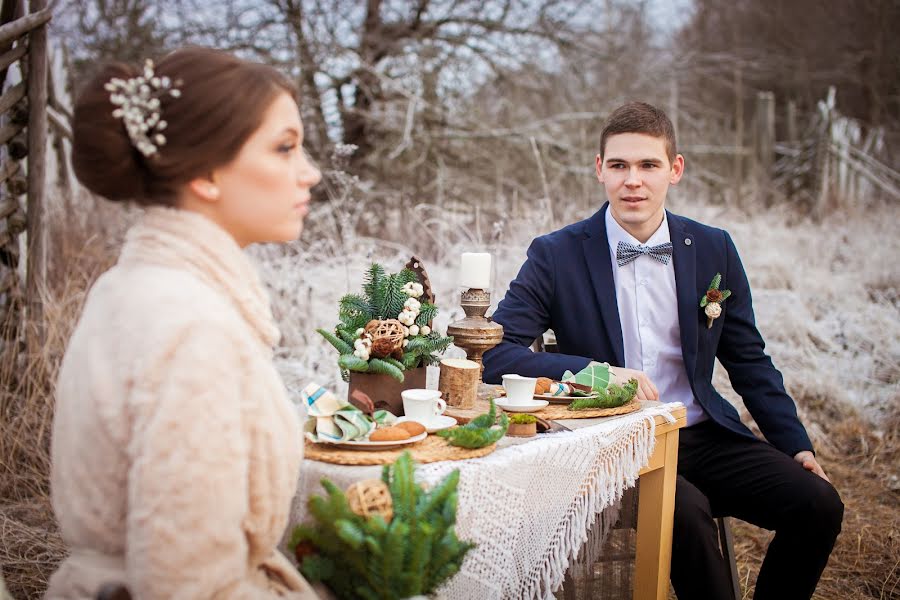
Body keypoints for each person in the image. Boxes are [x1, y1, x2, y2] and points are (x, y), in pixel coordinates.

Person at [482, 102, 843, 599]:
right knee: (686, 517)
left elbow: (748, 359)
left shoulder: (714, 248)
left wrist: (796, 445)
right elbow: (494, 355)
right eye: (619, 166)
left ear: (674, 170)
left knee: (819, 504)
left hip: (702, 434)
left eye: (648, 165)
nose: (634, 181)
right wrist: (598, 373)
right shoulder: (556, 253)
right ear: (599, 170)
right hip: (614, 445)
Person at [46, 47, 322, 599]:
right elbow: (190, 586)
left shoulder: (129, 286)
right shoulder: (195, 327)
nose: (309, 173)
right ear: (204, 173)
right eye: (284, 148)